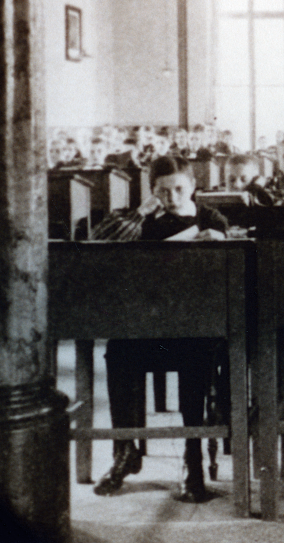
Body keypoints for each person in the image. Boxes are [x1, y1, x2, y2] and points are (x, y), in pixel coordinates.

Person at [95, 156, 228, 502]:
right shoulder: (136, 219)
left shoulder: (208, 218)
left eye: (179, 189)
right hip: (145, 324)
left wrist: (219, 240)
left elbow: (228, 265)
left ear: (194, 187)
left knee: (196, 354)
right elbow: (100, 241)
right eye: (163, 191)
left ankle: (192, 456)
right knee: (118, 350)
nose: (172, 197)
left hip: (192, 323)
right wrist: (141, 212)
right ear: (151, 191)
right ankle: (125, 451)